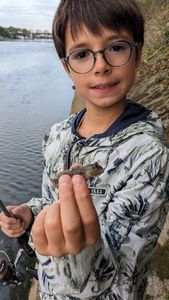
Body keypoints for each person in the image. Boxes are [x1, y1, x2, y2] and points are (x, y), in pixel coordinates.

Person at [0, 0, 169, 299]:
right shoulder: (56, 136)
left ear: (138, 53)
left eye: (116, 47)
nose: (101, 64)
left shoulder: (150, 158)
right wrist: (32, 213)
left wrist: (76, 253)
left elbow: (124, 271)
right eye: (81, 54)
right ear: (67, 67)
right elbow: (51, 199)